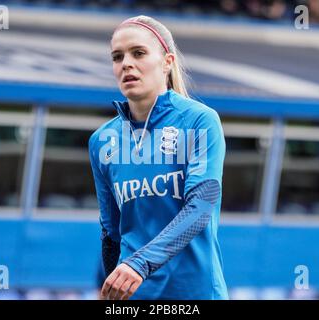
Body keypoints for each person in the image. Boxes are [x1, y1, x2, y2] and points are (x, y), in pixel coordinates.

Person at [88, 15, 228, 300]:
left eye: (138, 53)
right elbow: (111, 233)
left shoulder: (200, 121)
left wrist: (140, 264)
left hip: (196, 295)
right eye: (117, 57)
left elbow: (200, 207)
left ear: (167, 62)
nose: (126, 63)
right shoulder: (101, 141)